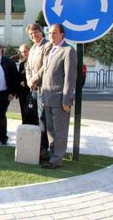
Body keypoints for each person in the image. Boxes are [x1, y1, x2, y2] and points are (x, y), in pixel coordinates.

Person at [41, 23, 77, 169]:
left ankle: (57, 159)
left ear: (62, 34)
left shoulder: (68, 50)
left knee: (60, 131)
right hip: (47, 97)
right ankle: (52, 154)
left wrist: (66, 99)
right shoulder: (50, 50)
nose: (51, 35)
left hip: (60, 99)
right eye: (50, 33)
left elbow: (70, 77)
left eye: (54, 33)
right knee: (50, 130)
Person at [25, 23, 52, 159]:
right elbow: (28, 67)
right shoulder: (33, 48)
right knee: (36, 118)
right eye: (31, 34)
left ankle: (44, 149)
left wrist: (33, 80)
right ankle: (39, 146)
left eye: (35, 32)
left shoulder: (47, 46)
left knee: (43, 120)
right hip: (34, 88)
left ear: (41, 32)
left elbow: (45, 67)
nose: (33, 35)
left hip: (43, 88)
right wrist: (29, 80)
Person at [17, 43, 37, 124]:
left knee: (33, 113)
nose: (24, 53)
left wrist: (25, 82)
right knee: (24, 113)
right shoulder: (22, 64)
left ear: (30, 51)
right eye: (22, 52)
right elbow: (19, 77)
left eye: (25, 51)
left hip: (33, 91)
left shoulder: (35, 62)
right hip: (23, 93)